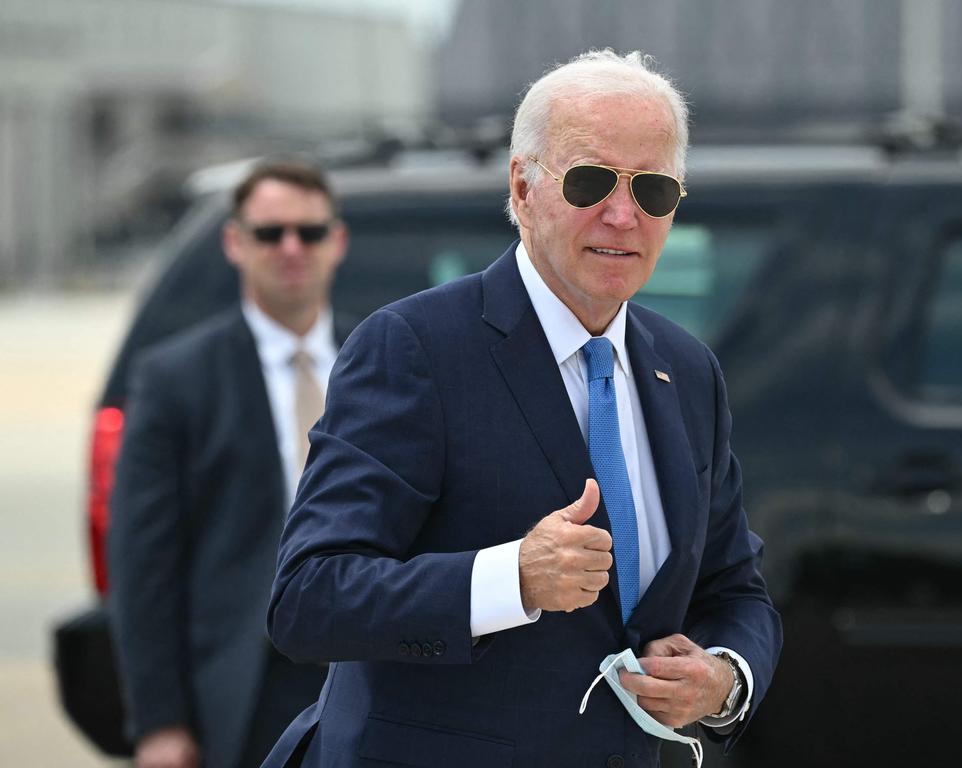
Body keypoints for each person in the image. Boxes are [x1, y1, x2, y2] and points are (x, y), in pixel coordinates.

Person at [263, 50, 782, 768]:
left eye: (654, 188)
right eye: (592, 180)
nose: (623, 213)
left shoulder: (687, 371)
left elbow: (736, 590)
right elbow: (309, 600)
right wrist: (511, 578)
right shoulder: (415, 348)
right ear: (523, 186)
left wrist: (724, 679)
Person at [108, 161, 354, 768]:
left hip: (368, 670)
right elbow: (143, 565)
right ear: (235, 243)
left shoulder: (381, 360)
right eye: (270, 233)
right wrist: (159, 724)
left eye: (310, 231)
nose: (292, 248)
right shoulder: (175, 378)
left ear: (338, 241)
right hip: (249, 686)